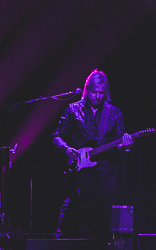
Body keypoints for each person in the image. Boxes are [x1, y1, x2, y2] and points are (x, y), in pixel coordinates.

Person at [52, 70, 133, 239]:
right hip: (79, 171)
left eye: (101, 93)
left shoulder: (114, 113)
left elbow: (119, 142)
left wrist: (125, 146)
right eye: (94, 92)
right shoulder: (73, 109)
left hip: (106, 172)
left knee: (103, 221)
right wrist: (66, 149)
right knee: (73, 215)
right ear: (87, 91)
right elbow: (56, 136)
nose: (97, 96)